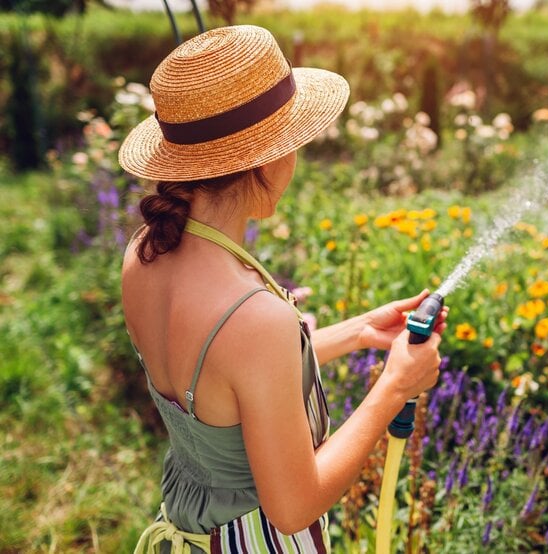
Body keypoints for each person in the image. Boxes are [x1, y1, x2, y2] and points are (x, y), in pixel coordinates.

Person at [118, 25, 447, 554]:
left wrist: (358, 331)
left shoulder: (144, 255)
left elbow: (227, 387)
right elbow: (293, 507)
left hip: (188, 528)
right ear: (269, 158)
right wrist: (392, 388)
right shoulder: (251, 316)